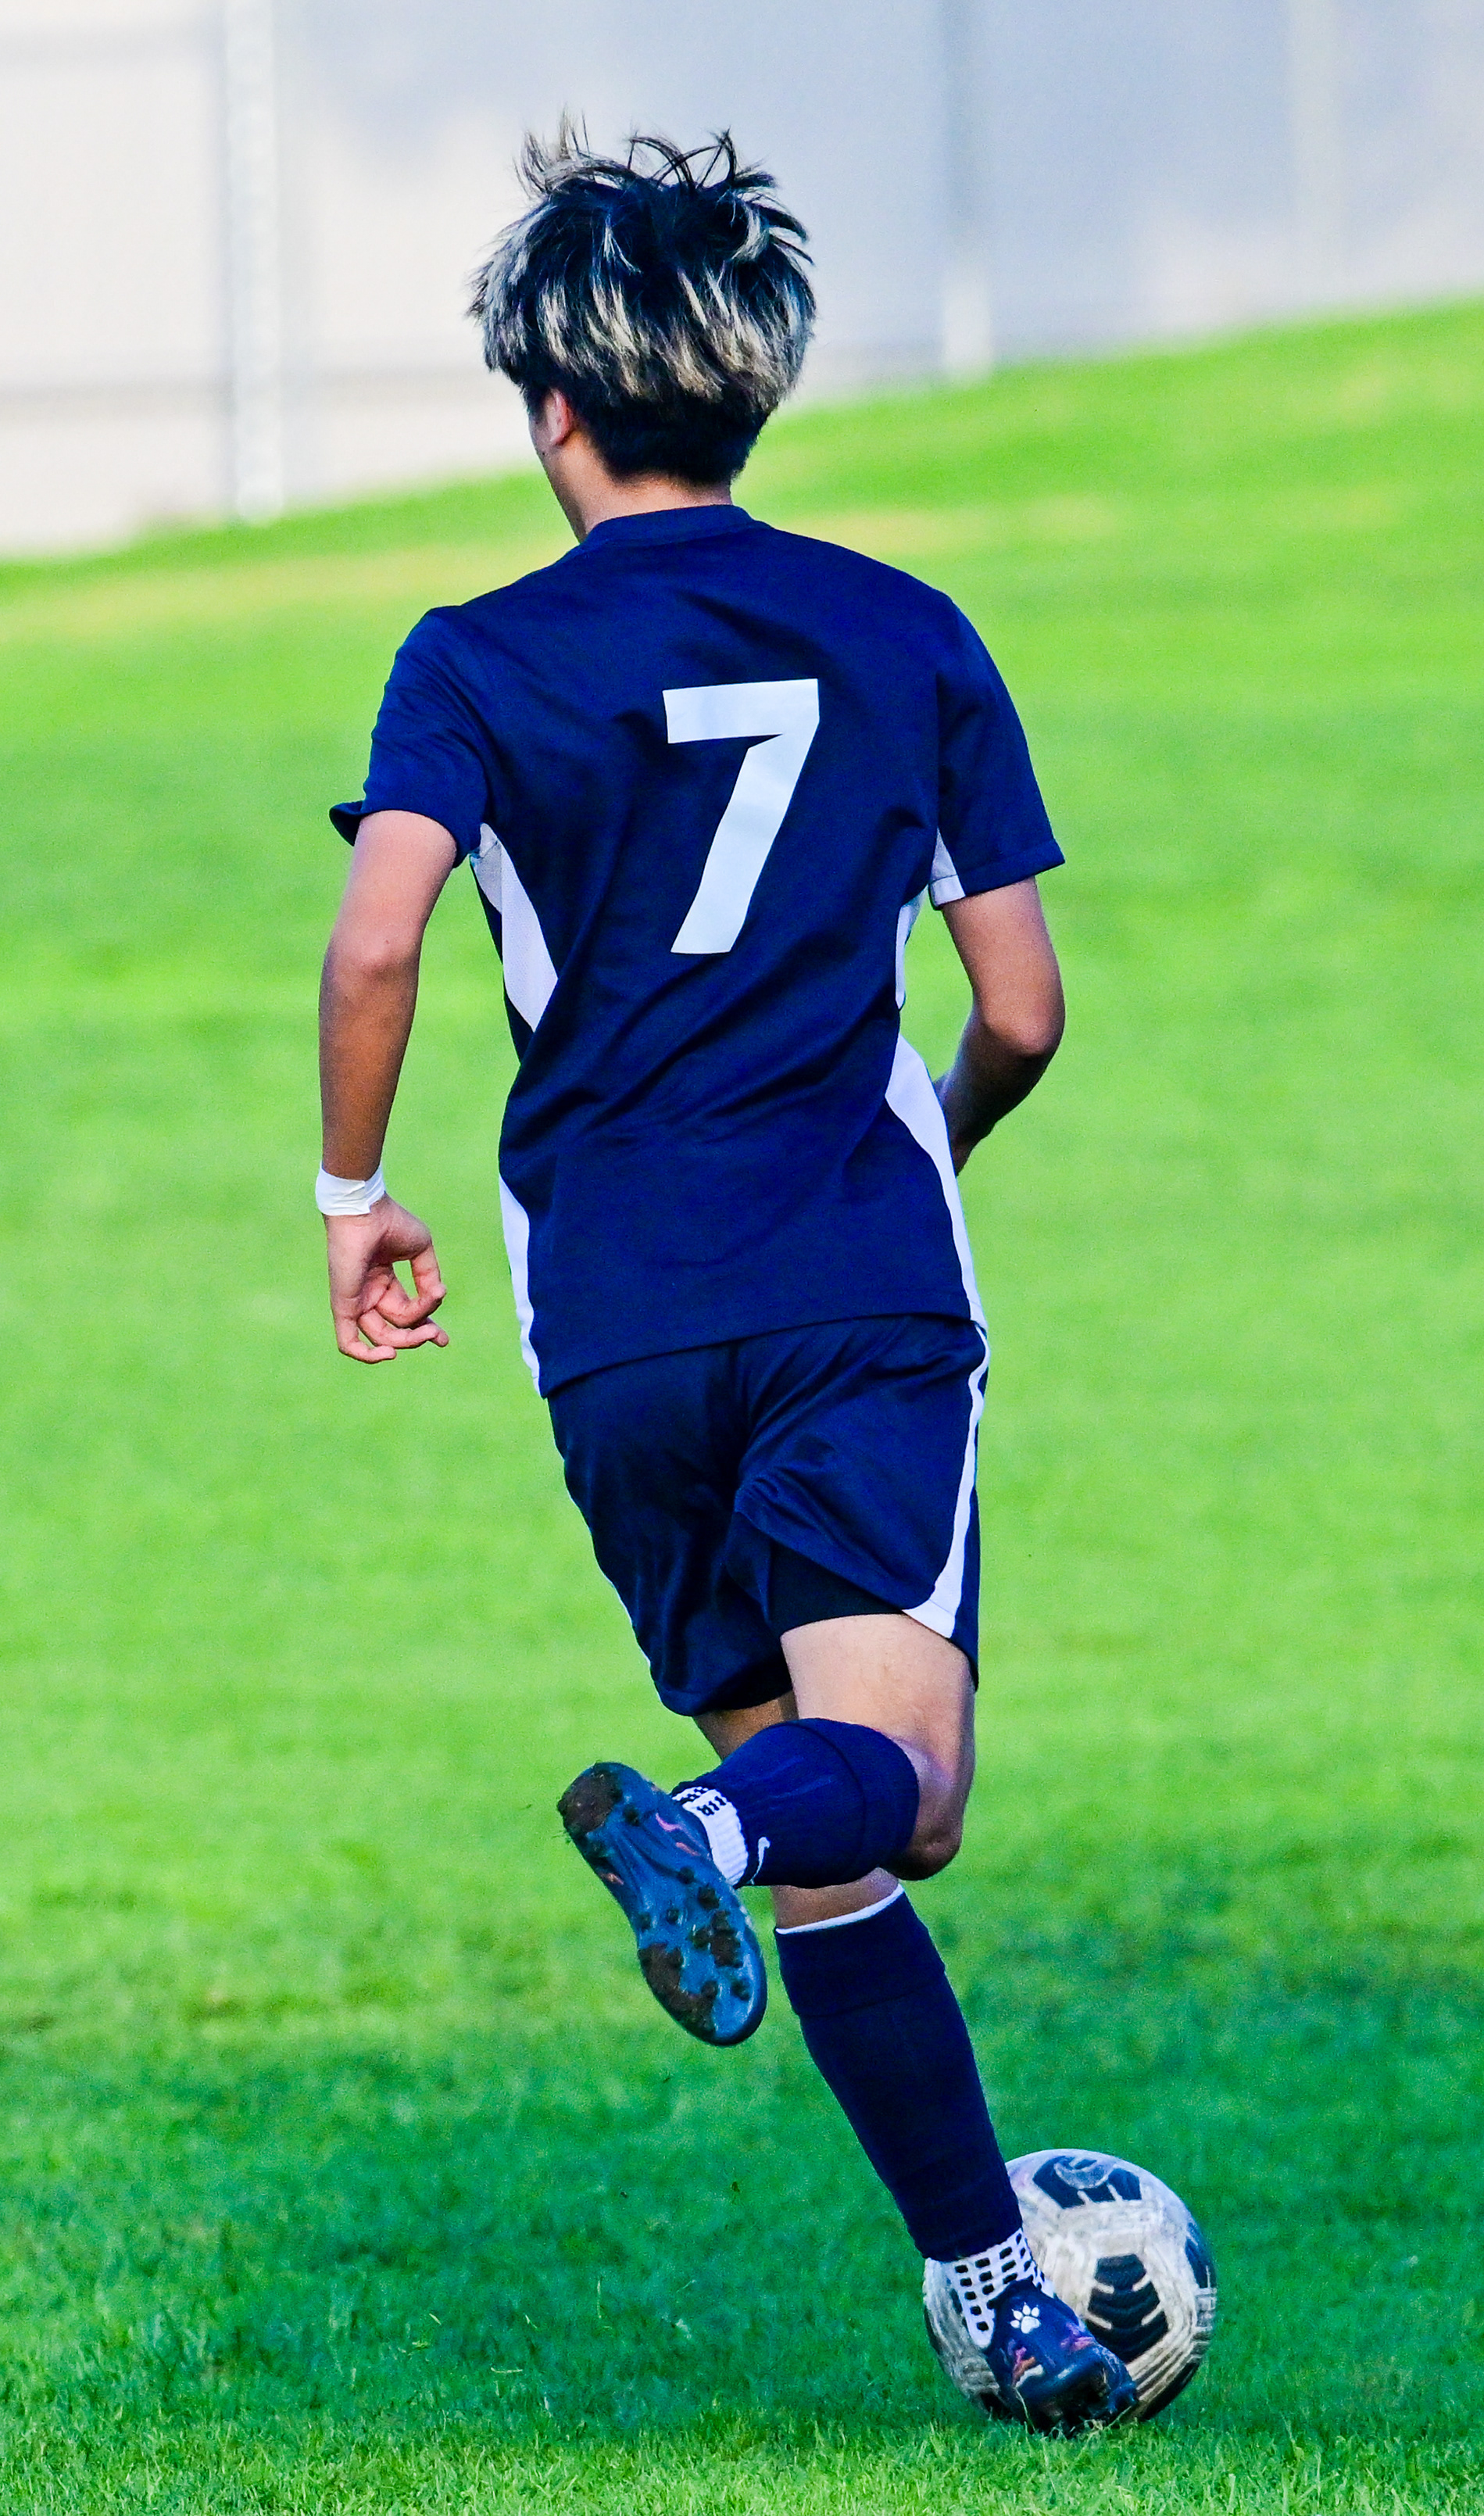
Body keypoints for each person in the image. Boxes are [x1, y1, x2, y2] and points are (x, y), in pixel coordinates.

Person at [316, 128, 1134, 2435]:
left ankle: (996, 2301)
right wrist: (922, 1146)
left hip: (613, 1318)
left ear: (552, 410)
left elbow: (376, 941)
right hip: (850, 1277)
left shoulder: (472, 657)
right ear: (751, 390)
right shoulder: (906, 628)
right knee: (906, 1788)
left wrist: (349, 1194)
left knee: (817, 1826)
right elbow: (1024, 1008)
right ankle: (699, 1840)